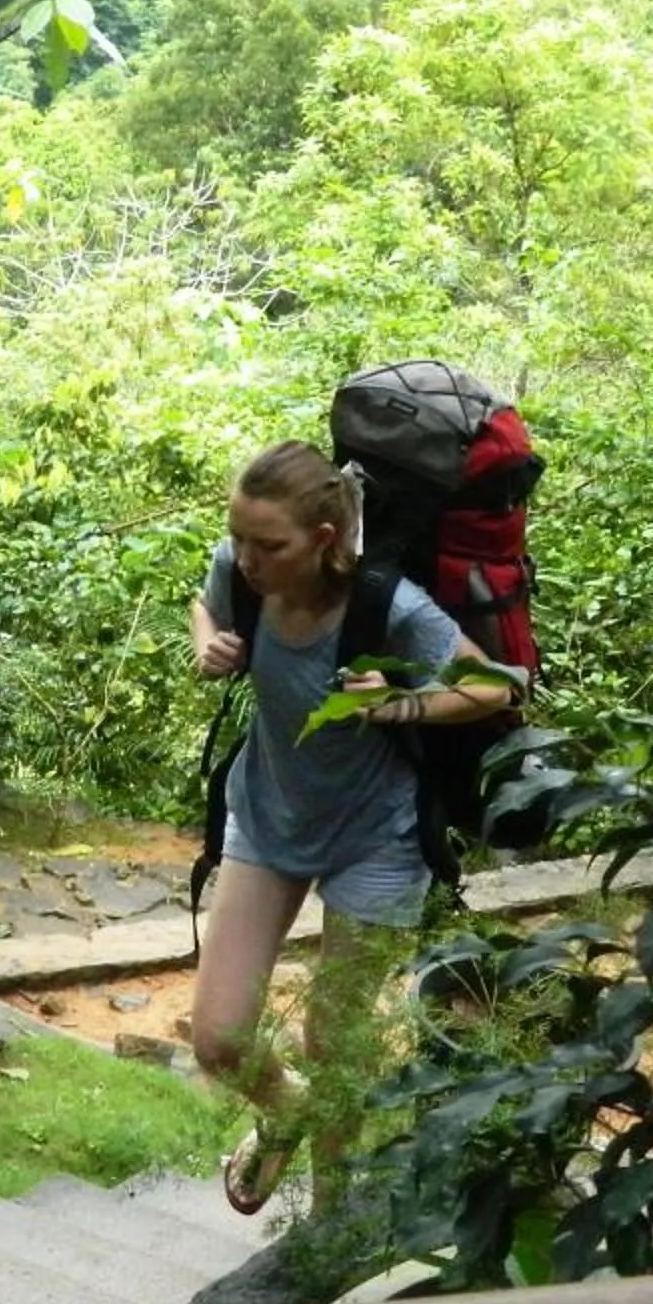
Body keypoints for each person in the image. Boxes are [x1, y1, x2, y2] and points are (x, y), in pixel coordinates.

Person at [189, 439, 515, 1213]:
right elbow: (205, 602)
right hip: (269, 815)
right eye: (239, 537)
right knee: (220, 1039)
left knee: (337, 1047)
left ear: (324, 542)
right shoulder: (239, 570)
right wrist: (207, 639)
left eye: (269, 545)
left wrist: (400, 703)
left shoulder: (387, 606)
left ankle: (328, 1225)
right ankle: (286, 1109)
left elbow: (492, 686)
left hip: (376, 836)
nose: (247, 557)